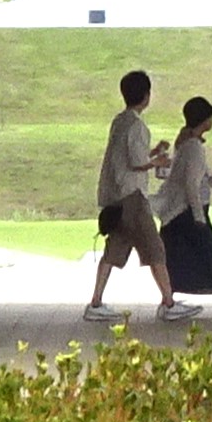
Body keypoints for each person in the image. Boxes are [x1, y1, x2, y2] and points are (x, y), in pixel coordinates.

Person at [85, 69, 199, 324]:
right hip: (132, 197)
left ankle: (96, 302)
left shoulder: (120, 121)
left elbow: (126, 157)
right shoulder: (137, 125)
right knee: (155, 248)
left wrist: (151, 153)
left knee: (114, 250)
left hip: (115, 196)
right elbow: (136, 163)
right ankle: (168, 303)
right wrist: (157, 159)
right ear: (146, 95)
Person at [154, 96, 212, 314]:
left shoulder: (185, 144)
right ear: (204, 120)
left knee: (177, 255)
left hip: (179, 211)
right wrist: (199, 216)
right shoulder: (194, 147)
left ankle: (168, 299)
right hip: (188, 211)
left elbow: (186, 176)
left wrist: (208, 180)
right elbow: (190, 185)